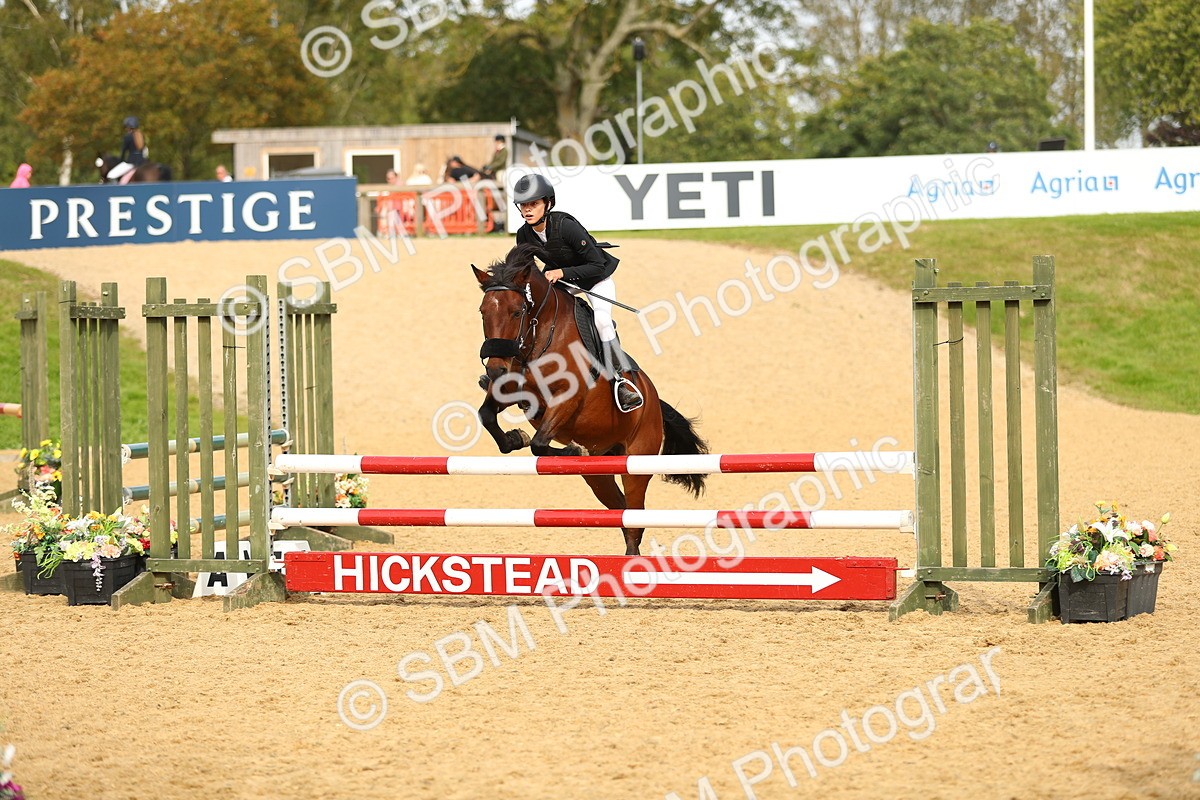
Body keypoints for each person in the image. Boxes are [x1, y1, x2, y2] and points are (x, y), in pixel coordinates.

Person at [507, 172, 643, 412]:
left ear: (548, 203)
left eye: (534, 204)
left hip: (595, 279)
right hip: (564, 281)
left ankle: (621, 379)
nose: (528, 210)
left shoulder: (566, 226)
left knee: (602, 320)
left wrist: (561, 273)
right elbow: (524, 270)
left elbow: (596, 264)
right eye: (524, 205)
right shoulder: (524, 234)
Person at [107, 116, 148, 181]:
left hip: (131, 162)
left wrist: (120, 161)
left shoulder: (128, 137)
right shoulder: (141, 136)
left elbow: (123, 151)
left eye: (126, 127)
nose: (126, 128)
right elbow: (145, 151)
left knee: (111, 175)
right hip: (142, 162)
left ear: (129, 127)